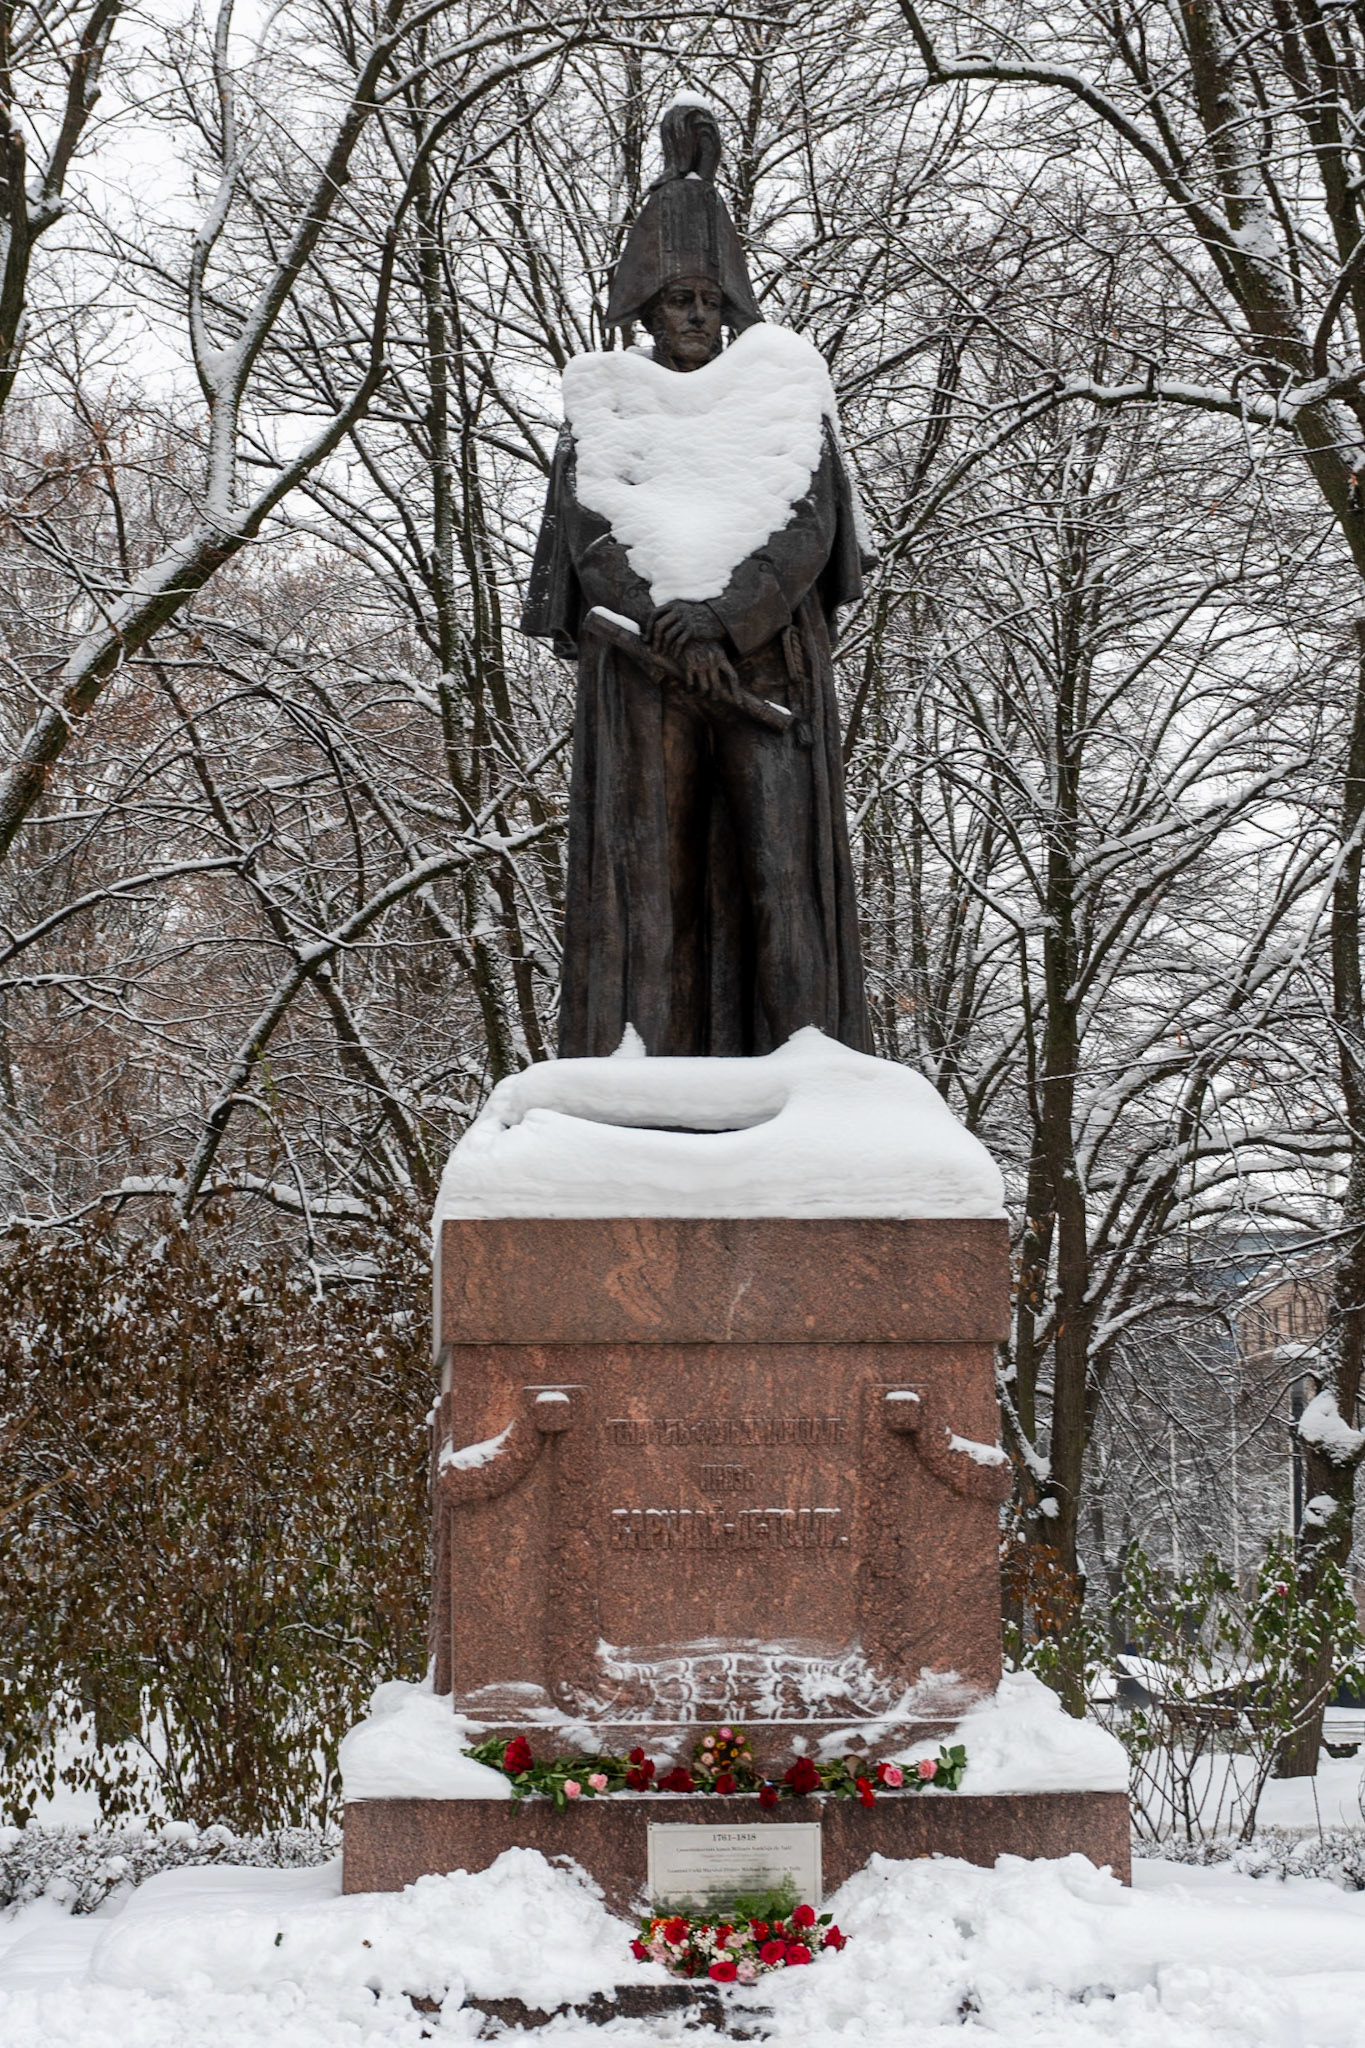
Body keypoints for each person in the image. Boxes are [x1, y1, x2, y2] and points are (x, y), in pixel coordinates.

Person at [522, 99, 873, 1059]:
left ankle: (812, 1063)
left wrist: (722, 623)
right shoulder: (607, 400)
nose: (694, 316)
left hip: (768, 672)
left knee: (781, 873)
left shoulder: (782, 386)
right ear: (645, 306)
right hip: (643, 680)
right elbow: (595, 534)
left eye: (709, 300)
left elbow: (807, 524)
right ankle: (636, 1066)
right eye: (677, 299)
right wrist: (671, 627)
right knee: (647, 878)